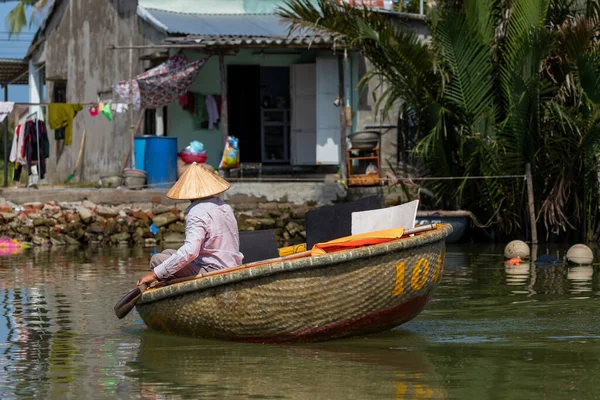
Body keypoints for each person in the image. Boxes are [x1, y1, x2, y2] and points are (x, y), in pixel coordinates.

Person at [136, 162, 243, 286]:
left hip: (214, 270)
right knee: (167, 253)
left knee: (157, 260)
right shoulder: (225, 207)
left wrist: (154, 274)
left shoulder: (197, 211)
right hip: (231, 265)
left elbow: (190, 251)